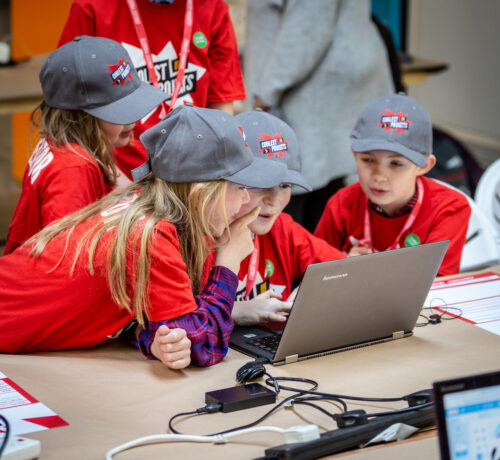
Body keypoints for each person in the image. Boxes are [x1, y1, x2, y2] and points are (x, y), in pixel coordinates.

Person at [0, 105, 287, 368]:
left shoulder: (154, 208)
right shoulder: (152, 234)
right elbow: (203, 346)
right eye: (240, 188)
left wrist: (155, 341)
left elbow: (162, 327)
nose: (248, 199)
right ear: (201, 194)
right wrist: (228, 264)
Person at [4, 36, 168, 255]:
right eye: (119, 111)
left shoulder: (68, 143)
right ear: (81, 117)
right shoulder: (72, 171)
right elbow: (66, 259)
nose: (133, 120)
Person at [244, 0, 394, 232]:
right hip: (321, 78)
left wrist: (266, 94)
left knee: (301, 202)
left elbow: (308, 27)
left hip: (310, 84)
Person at [58, 0, 246, 179]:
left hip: (191, 177)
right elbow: (68, 113)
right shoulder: (92, 8)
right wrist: (113, 181)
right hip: (116, 175)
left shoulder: (212, 7)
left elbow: (222, 113)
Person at [205, 109, 346, 326]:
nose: (273, 200)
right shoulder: (199, 235)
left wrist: (314, 291)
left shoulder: (283, 229)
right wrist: (237, 310)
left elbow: (347, 272)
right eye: (260, 184)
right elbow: (175, 316)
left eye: (285, 185)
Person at [314, 93, 471, 276]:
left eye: (396, 164)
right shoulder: (341, 204)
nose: (379, 176)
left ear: (425, 165)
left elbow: (435, 285)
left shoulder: (450, 208)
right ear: (354, 154)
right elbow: (315, 274)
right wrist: (341, 266)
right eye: (368, 160)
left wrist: (367, 273)